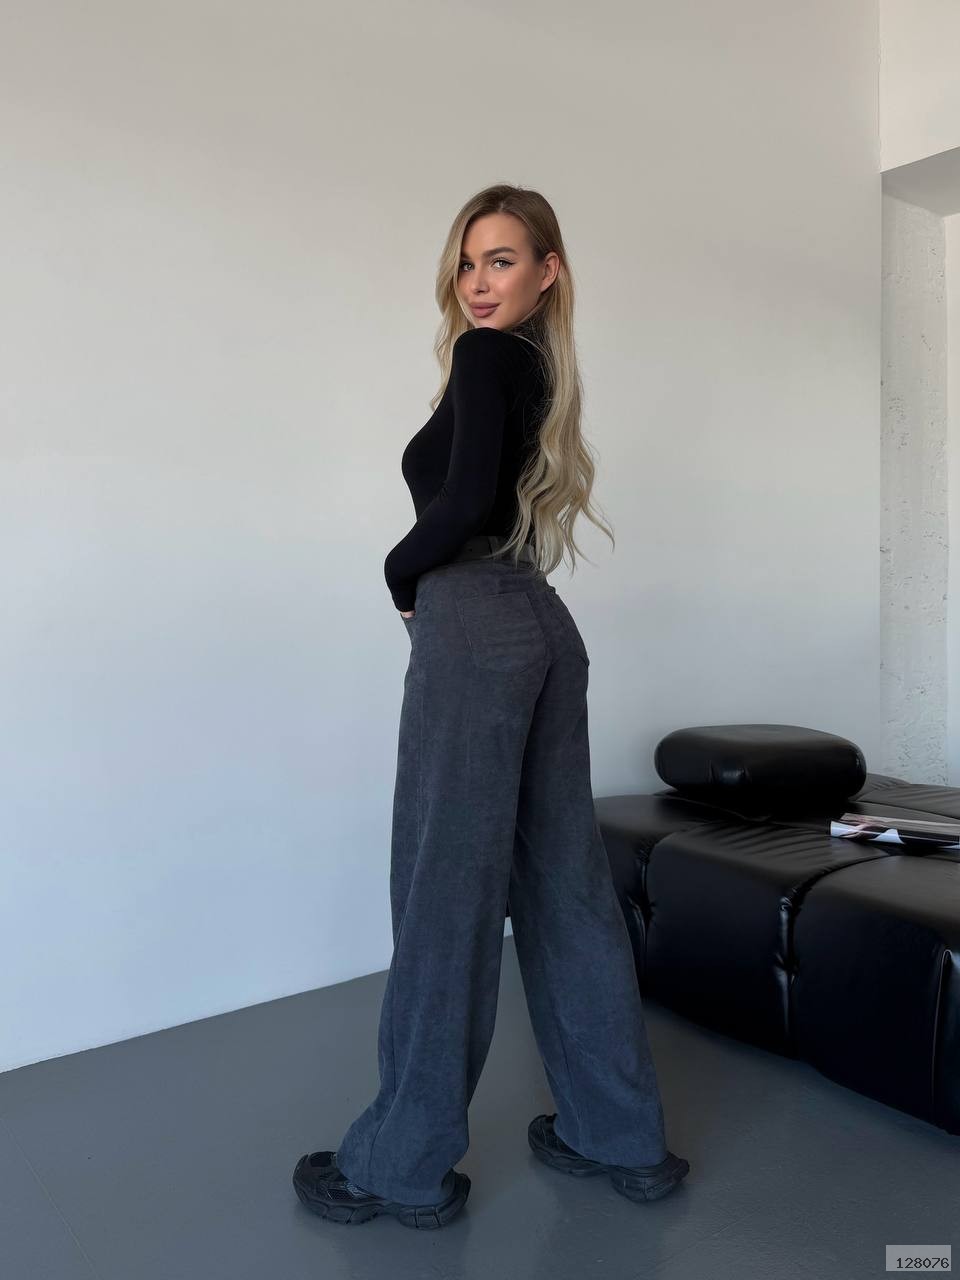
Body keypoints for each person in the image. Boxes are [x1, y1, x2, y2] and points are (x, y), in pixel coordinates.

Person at [291, 184, 690, 1229]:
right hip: (542, 622)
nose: (477, 281)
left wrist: (397, 573)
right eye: (468, 262)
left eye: (502, 260)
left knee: (444, 890)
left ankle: (400, 1163)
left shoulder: (484, 357)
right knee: (566, 888)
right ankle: (620, 1134)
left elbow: (463, 503)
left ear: (548, 271)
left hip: (472, 623)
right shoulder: (539, 367)